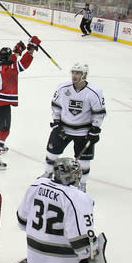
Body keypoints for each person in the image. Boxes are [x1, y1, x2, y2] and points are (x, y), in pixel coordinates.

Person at [41, 63, 106, 192]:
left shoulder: (94, 92)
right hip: (64, 128)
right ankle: (47, 174)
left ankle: (82, 183)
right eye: (73, 72)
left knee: (84, 162)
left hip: (84, 131)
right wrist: (57, 121)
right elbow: (55, 105)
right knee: (52, 153)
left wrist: (95, 129)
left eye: (78, 73)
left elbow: (99, 113)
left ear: (84, 75)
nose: (74, 76)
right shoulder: (63, 88)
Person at [0, 35, 41, 170]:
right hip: (1, 104)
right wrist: (31, 49)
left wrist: (17, 51)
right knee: (4, 130)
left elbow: (11, 61)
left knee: (0, 127)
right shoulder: (11, 69)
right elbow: (23, 64)